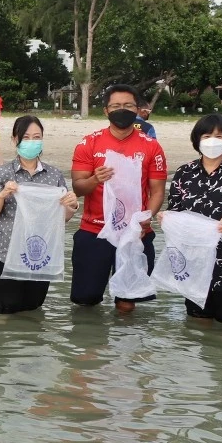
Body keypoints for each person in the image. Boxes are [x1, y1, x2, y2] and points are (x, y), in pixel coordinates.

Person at [70, 83, 167, 312]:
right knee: (85, 301)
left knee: (127, 302)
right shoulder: (89, 143)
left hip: (135, 233)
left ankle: (125, 344)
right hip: (94, 231)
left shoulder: (151, 146)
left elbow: (158, 191)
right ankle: (90, 344)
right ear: (106, 110)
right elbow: (77, 187)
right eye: (115, 106)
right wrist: (95, 179)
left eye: (127, 105)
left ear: (137, 109)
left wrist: (145, 217)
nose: (121, 109)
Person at [0, 116, 79, 314]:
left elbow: (62, 218)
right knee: (3, 311)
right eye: (26, 137)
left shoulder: (54, 175)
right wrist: (2, 195)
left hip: (40, 256)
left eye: (37, 137)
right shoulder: (1, 173)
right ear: (14, 139)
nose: (32, 141)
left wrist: (72, 205)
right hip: (5, 253)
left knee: (33, 310)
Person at [167, 114, 222, 323]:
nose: (213, 141)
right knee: (198, 320)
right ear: (197, 140)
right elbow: (175, 210)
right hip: (194, 260)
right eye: (207, 136)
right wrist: (167, 218)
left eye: (219, 136)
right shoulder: (184, 173)